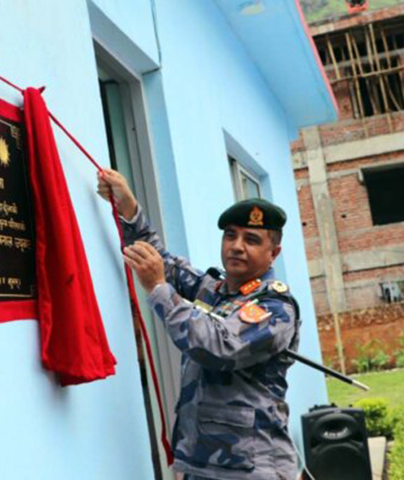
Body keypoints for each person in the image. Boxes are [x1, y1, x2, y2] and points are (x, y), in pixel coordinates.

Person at [98, 169, 301, 480]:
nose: (236, 246)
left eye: (252, 240)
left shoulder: (275, 307)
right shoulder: (215, 291)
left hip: (252, 469)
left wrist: (159, 290)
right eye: (230, 235)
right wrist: (128, 208)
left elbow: (219, 346)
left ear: (273, 253)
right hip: (201, 464)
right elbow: (161, 260)